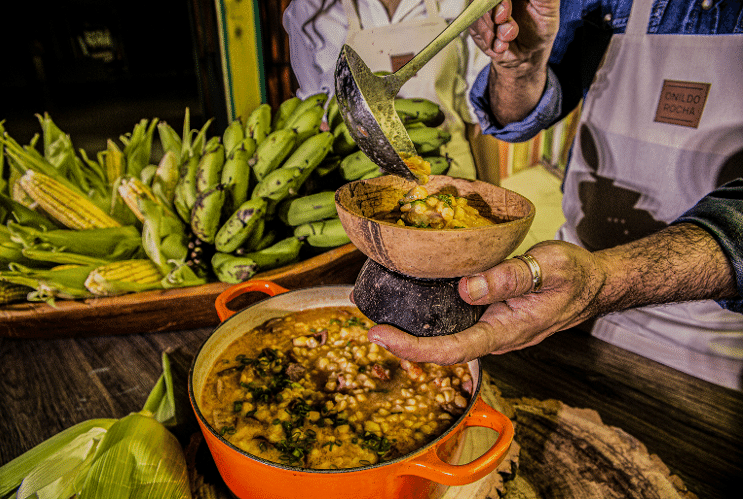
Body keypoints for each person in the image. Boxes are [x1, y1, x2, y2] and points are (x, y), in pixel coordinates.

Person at [365, 0, 743, 390]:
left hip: (711, 342)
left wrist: (602, 282)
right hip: (562, 296)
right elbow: (516, 118)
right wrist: (520, 67)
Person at [283, 0, 492, 180]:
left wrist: (499, 203)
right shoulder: (308, 11)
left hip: (450, 170)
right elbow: (316, 117)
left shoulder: (461, 3)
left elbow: (480, 122)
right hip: (361, 179)